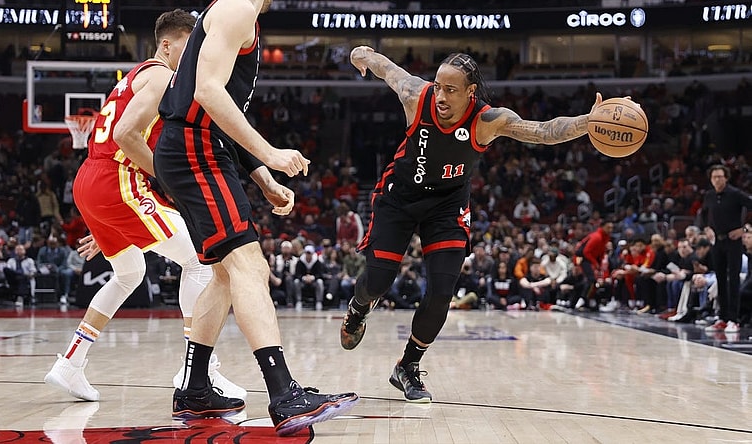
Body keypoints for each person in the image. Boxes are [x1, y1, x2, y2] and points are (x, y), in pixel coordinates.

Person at [339, 46, 606, 402]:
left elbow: (543, 131)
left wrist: (588, 121)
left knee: (441, 293)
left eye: (450, 89)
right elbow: (387, 68)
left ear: (470, 92)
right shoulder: (416, 96)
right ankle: (358, 308)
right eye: (438, 86)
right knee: (378, 282)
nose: (440, 96)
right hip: (400, 197)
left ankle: (408, 366)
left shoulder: (488, 120)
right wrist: (363, 54)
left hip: (447, 205)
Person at [152, 0, 357, 435]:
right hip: (196, 150)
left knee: (225, 275)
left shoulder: (238, 11)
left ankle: (194, 389)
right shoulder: (237, 8)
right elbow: (207, 92)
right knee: (251, 267)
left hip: (195, 148)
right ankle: (284, 394)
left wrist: (262, 176)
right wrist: (271, 153)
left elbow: (223, 109)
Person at [44, 10, 246, 404]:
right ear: (166, 45)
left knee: (130, 273)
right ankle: (198, 371)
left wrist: (112, 217)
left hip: (94, 180)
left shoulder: (135, 75)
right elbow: (125, 135)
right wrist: (169, 181)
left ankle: (70, 362)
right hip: (117, 179)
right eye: (189, 45)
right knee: (199, 261)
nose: (195, 54)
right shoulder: (160, 77)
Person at [697, 164, 752, 333]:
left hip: (733, 241)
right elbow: (703, 214)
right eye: (714, 177)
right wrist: (706, 228)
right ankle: (722, 317)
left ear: (726, 178)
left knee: (733, 280)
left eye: (720, 177)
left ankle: (733, 320)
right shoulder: (709, 195)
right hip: (717, 242)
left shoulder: (735, 194)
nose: (717, 180)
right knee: (720, 279)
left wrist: (744, 229)